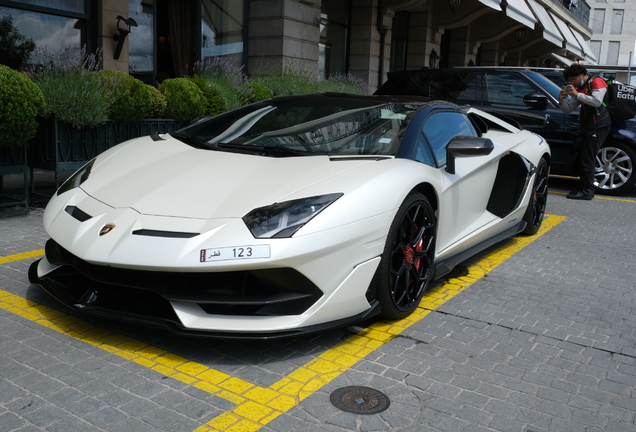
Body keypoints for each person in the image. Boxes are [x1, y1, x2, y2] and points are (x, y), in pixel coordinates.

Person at [558, 64, 611, 200]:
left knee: (588, 158)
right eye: (570, 80)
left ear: (582, 74)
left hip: (598, 125)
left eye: (574, 79)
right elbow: (568, 109)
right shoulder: (580, 88)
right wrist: (562, 100)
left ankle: (587, 190)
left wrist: (577, 94)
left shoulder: (597, 82)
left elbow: (597, 102)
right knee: (584, 157)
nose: (572, 82)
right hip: (588, 126)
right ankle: (584, 187)